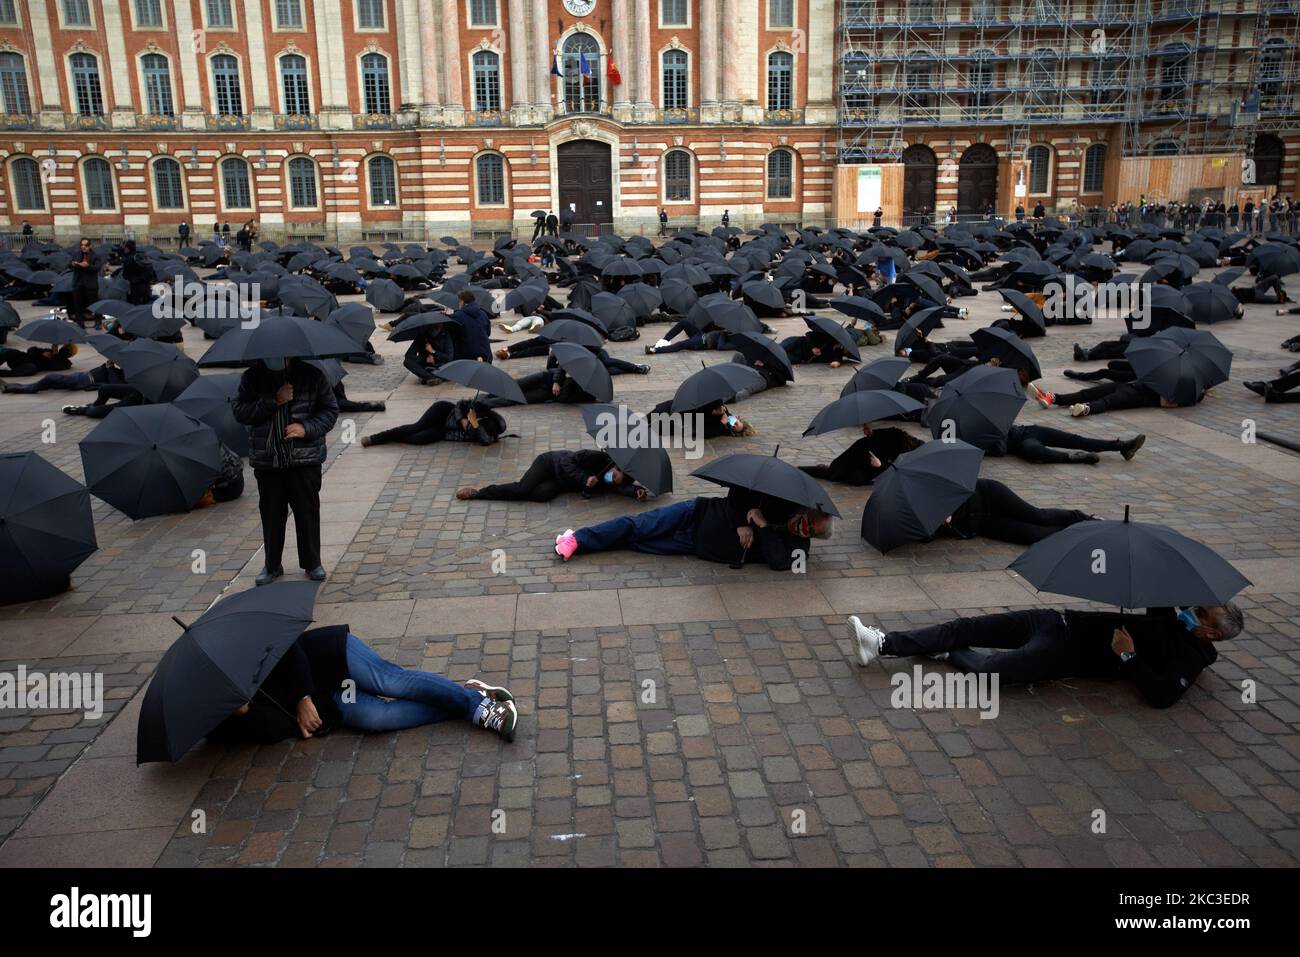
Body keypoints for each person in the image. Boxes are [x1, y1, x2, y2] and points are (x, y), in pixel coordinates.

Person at [846, 603, 1244, 709]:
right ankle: (881, 643)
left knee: (991, 671)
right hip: (1053, 620)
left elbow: (1162, 696)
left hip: (1063, 652)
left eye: (1201, 611)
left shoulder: (1190, 658)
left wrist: (1129, 657)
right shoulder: (1174, 615)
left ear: (1210, 632)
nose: (1190, 608)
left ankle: (948, 651)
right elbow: (1157, 592)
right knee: (965, 624)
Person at [205, 626, 518, 744]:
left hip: (329, 657)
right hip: (330, 698)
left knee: (392, 681)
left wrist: (301, 698)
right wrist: (246, 713)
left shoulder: (235, 649)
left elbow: (287, 644)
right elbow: (277, 730)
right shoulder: (218, 725)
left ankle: (483, 708)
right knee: (376, 720)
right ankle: (466, 697)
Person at [232, 357, 338, 586]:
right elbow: (240, 412)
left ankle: (312, 562)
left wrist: (306, 428)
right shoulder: (252, 377)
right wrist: (274, 400)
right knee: (271, 514)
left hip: (304, 458)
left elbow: (329, 410)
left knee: (307, 511)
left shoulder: (312, 375)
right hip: (268, 460)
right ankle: (272, 564)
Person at [553, 488, 831, 571]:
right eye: (804, 521)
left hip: (698, 546)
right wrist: (740, 522)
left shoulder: (799, 550)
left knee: (635, 542)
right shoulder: (779, 497)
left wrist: (763, 525)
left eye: (808, 531)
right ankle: (578, 539)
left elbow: (777, 561)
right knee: (638, 525)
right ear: (806, 510)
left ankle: (584, 541)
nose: (801, 529)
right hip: (696, 513)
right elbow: (736, 492)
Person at [936, 477, 1093, 546]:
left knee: (1038, 516)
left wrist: (951, 507)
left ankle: (1082, 518)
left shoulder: (931, 484)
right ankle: (1077, 532)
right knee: (1032, 536)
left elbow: (959, 482)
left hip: (988, 495)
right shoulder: (916, 514)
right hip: (981, 524)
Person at [457, 450, 651, 502]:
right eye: (614, 476)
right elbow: (568, 461)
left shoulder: (614, 481)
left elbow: (620, 488)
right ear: (615, 466)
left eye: (615, 481)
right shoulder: (597, 458)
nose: (612, 480)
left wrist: (637, 491)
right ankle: (480, 492)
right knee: (522, 489)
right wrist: (585, 479)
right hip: (551, 463)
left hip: (561, 483)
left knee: (541, 495)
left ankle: (516, 493)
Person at [798, 424, 922, 485]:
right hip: (860, 456)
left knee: (838, 473)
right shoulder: (902, 450)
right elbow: (888, 468)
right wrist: (872, 433)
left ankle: (824, 469)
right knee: (834, 473)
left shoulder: (906, 441)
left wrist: (872, 433)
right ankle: (803, 470)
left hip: (863, 457)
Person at [360, 398, 505, 447]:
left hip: (445, 431)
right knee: (415, 428)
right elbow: (460, 404)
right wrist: (462, 418)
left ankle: (393, 438)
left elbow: (485, 441)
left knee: (419, 439)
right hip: (443, 413)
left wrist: (474, 423)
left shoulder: (496, 425)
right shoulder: (477, 406)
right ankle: (375, 438)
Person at [1031, 379, 1189, 416]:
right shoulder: (1172, 376)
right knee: (1088, 393)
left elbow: (1165, 402)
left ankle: (1086, 409)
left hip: (1138, 396)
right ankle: (1054, 398)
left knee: (1108, 402)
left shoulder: (1188, 392)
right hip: (1128, 384)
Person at [449, 289, 493, 362]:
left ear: (462, 301)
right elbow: (488, 333)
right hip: (486, 355)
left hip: (466, 357)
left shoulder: (458, 316)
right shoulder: (483, 313)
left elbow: (453, 336)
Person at [69, 238, 103, 329]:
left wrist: (88, 266)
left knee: (95, 305)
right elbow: (69, 265)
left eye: (85, 245)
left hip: (90, 284)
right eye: (82, 245)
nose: (83, 247)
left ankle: (98, 322)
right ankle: (80, 323)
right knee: (78, 305)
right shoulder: (76, 254)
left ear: (90, 246)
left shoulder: (96, 255)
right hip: (78, 283)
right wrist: (73, 264)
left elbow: (97, 268)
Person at [0, 343, 75, 377]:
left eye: (68, 348)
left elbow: (57, 366)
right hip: (22, 358)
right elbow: (31, 349)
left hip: (27, 366)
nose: (65, 348)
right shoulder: (49, 350)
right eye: (65, 346)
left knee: (32, 368)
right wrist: (42, 353)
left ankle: (3, 373)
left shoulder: (67, 362)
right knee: (10, 352)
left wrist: (55, 354)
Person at [120, 240, 155, 306]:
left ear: (128, 248)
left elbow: (125, 275)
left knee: (137, 305)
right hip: (146, 285)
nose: (124, 249)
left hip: (135, 286)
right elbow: (150, 270)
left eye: (124, 248)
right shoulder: (143, 256)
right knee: (146, 305)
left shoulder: (128, 259)